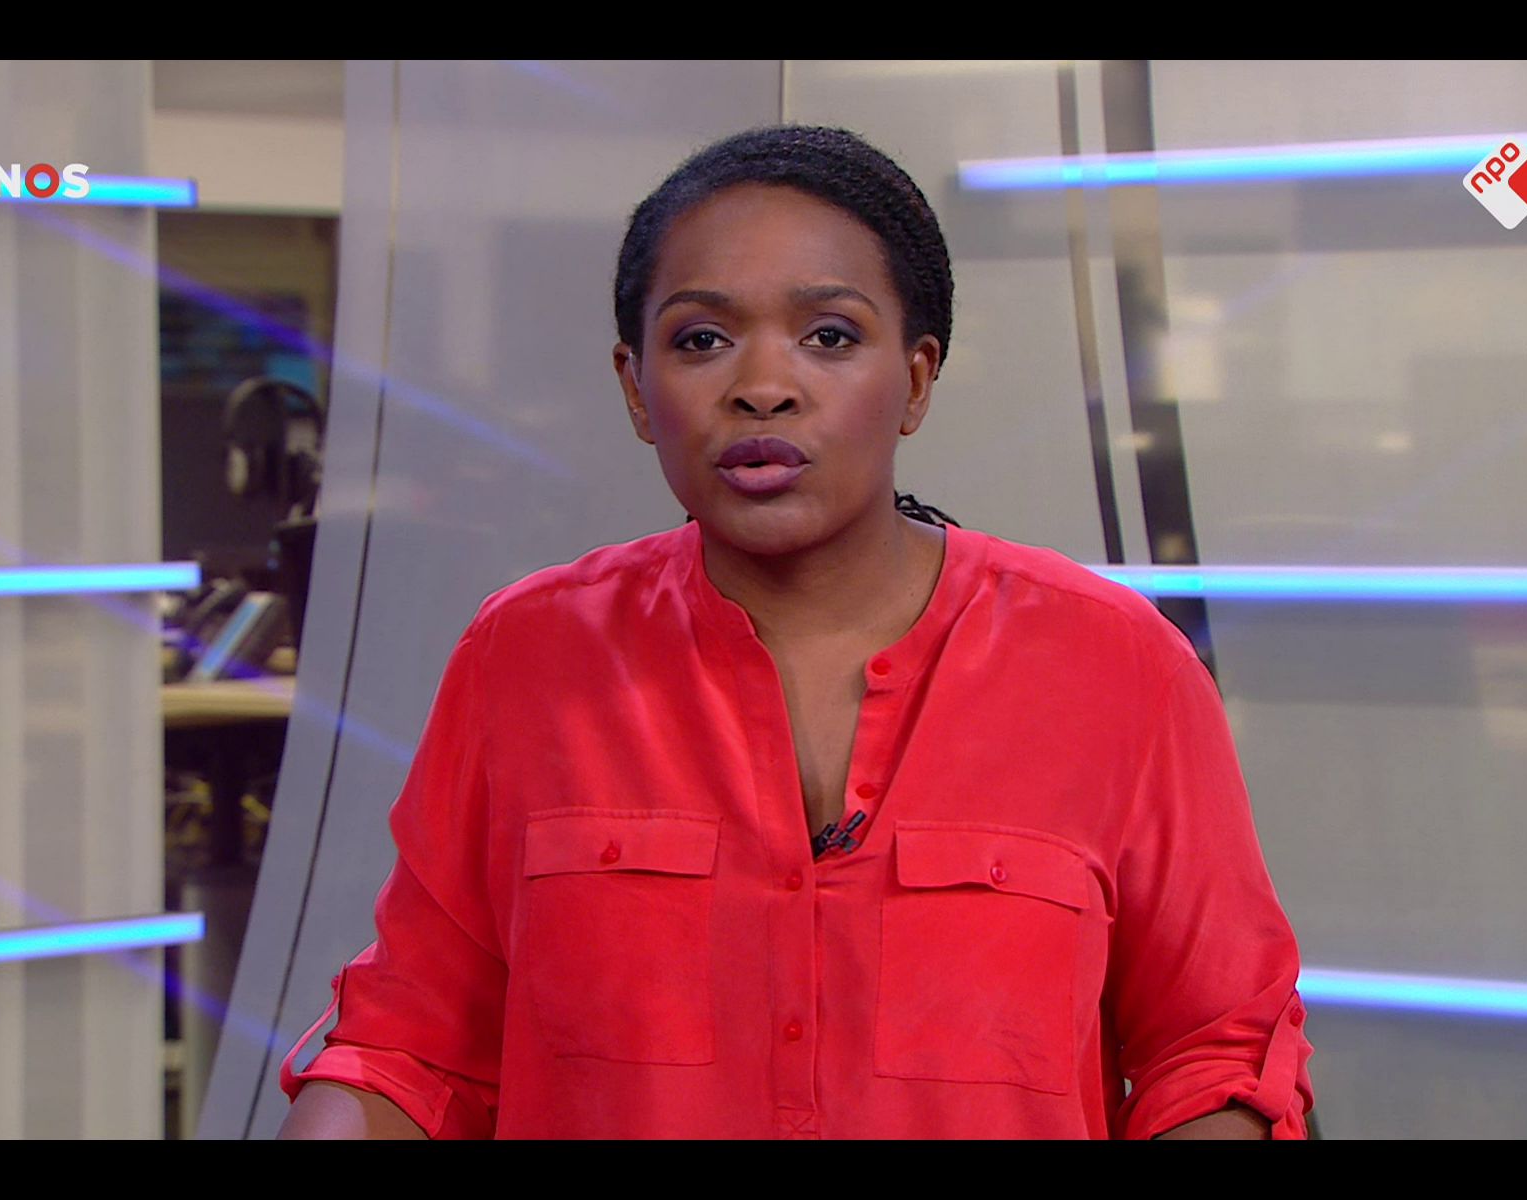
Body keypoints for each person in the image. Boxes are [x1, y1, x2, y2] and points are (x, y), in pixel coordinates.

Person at [277, 125, 1314, 1140]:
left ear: (915, 379)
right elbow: (413, 1048)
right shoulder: (527, 656)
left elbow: (1214, 1052)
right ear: (636, 388)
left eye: (830, 337)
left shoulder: (1114, 664)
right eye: (701, 340)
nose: (762, 387)